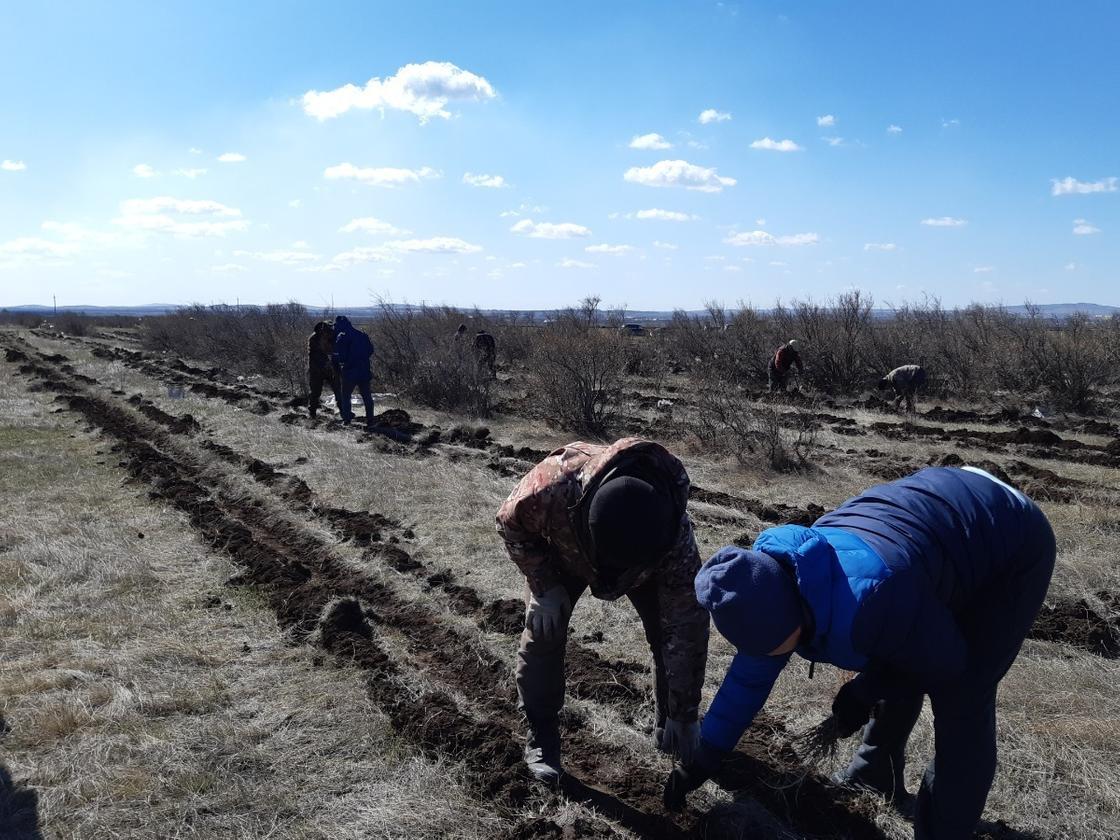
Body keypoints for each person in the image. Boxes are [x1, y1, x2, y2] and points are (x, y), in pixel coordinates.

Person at [663, 466, 1056, 840]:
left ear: (795, 620)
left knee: (963, 697)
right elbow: (748, 678)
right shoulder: (772, 582)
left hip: (1008, 538)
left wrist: (865, 691)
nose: (766, 658)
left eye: (769, 649)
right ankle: (874, 773)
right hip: (934, 522)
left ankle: (944, 831)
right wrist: (702, 760)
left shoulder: (867, 602)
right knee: (900, 644)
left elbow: (946, 663)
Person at [496, 438, 710, 784]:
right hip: (564, 557)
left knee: (666, 633)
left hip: (646, 569)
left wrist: (684, 711)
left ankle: (666, 725)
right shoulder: (553, 485)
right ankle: (542, 737)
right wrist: (544, 585)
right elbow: (509, 523)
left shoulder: (673, 541)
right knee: (543, 634)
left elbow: (687, 628)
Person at [333, 315, 375, 429]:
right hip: (364, 370)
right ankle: (370, 420)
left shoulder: (342, 337)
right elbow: (371, 351)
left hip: (350, 371)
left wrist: (339, 362)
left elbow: (340, 357)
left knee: (346, 396)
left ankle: (347, 420)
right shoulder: (362, 335)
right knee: (367, 396)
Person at [307, 321, 341, 419]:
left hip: (331, 370)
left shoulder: (333, 336)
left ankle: (344, 413)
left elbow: (336, 350)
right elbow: (315, 354)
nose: (327, 333)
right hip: (316, 370)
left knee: (338, 391)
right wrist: (327, 362)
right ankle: (312, 413)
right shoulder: (314, 339)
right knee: (315, 392)